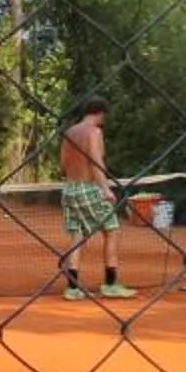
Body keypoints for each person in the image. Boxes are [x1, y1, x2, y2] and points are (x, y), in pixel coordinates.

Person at [58, 98, 134, 299]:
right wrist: (105, 189)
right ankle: (110, 284)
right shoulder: (94, 132)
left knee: (77, 235)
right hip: (90, 189)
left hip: (70, 189)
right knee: (112, 231)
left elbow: (63, 163)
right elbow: (95, 162)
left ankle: (72, 287)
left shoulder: (70, 132)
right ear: (100, 113)